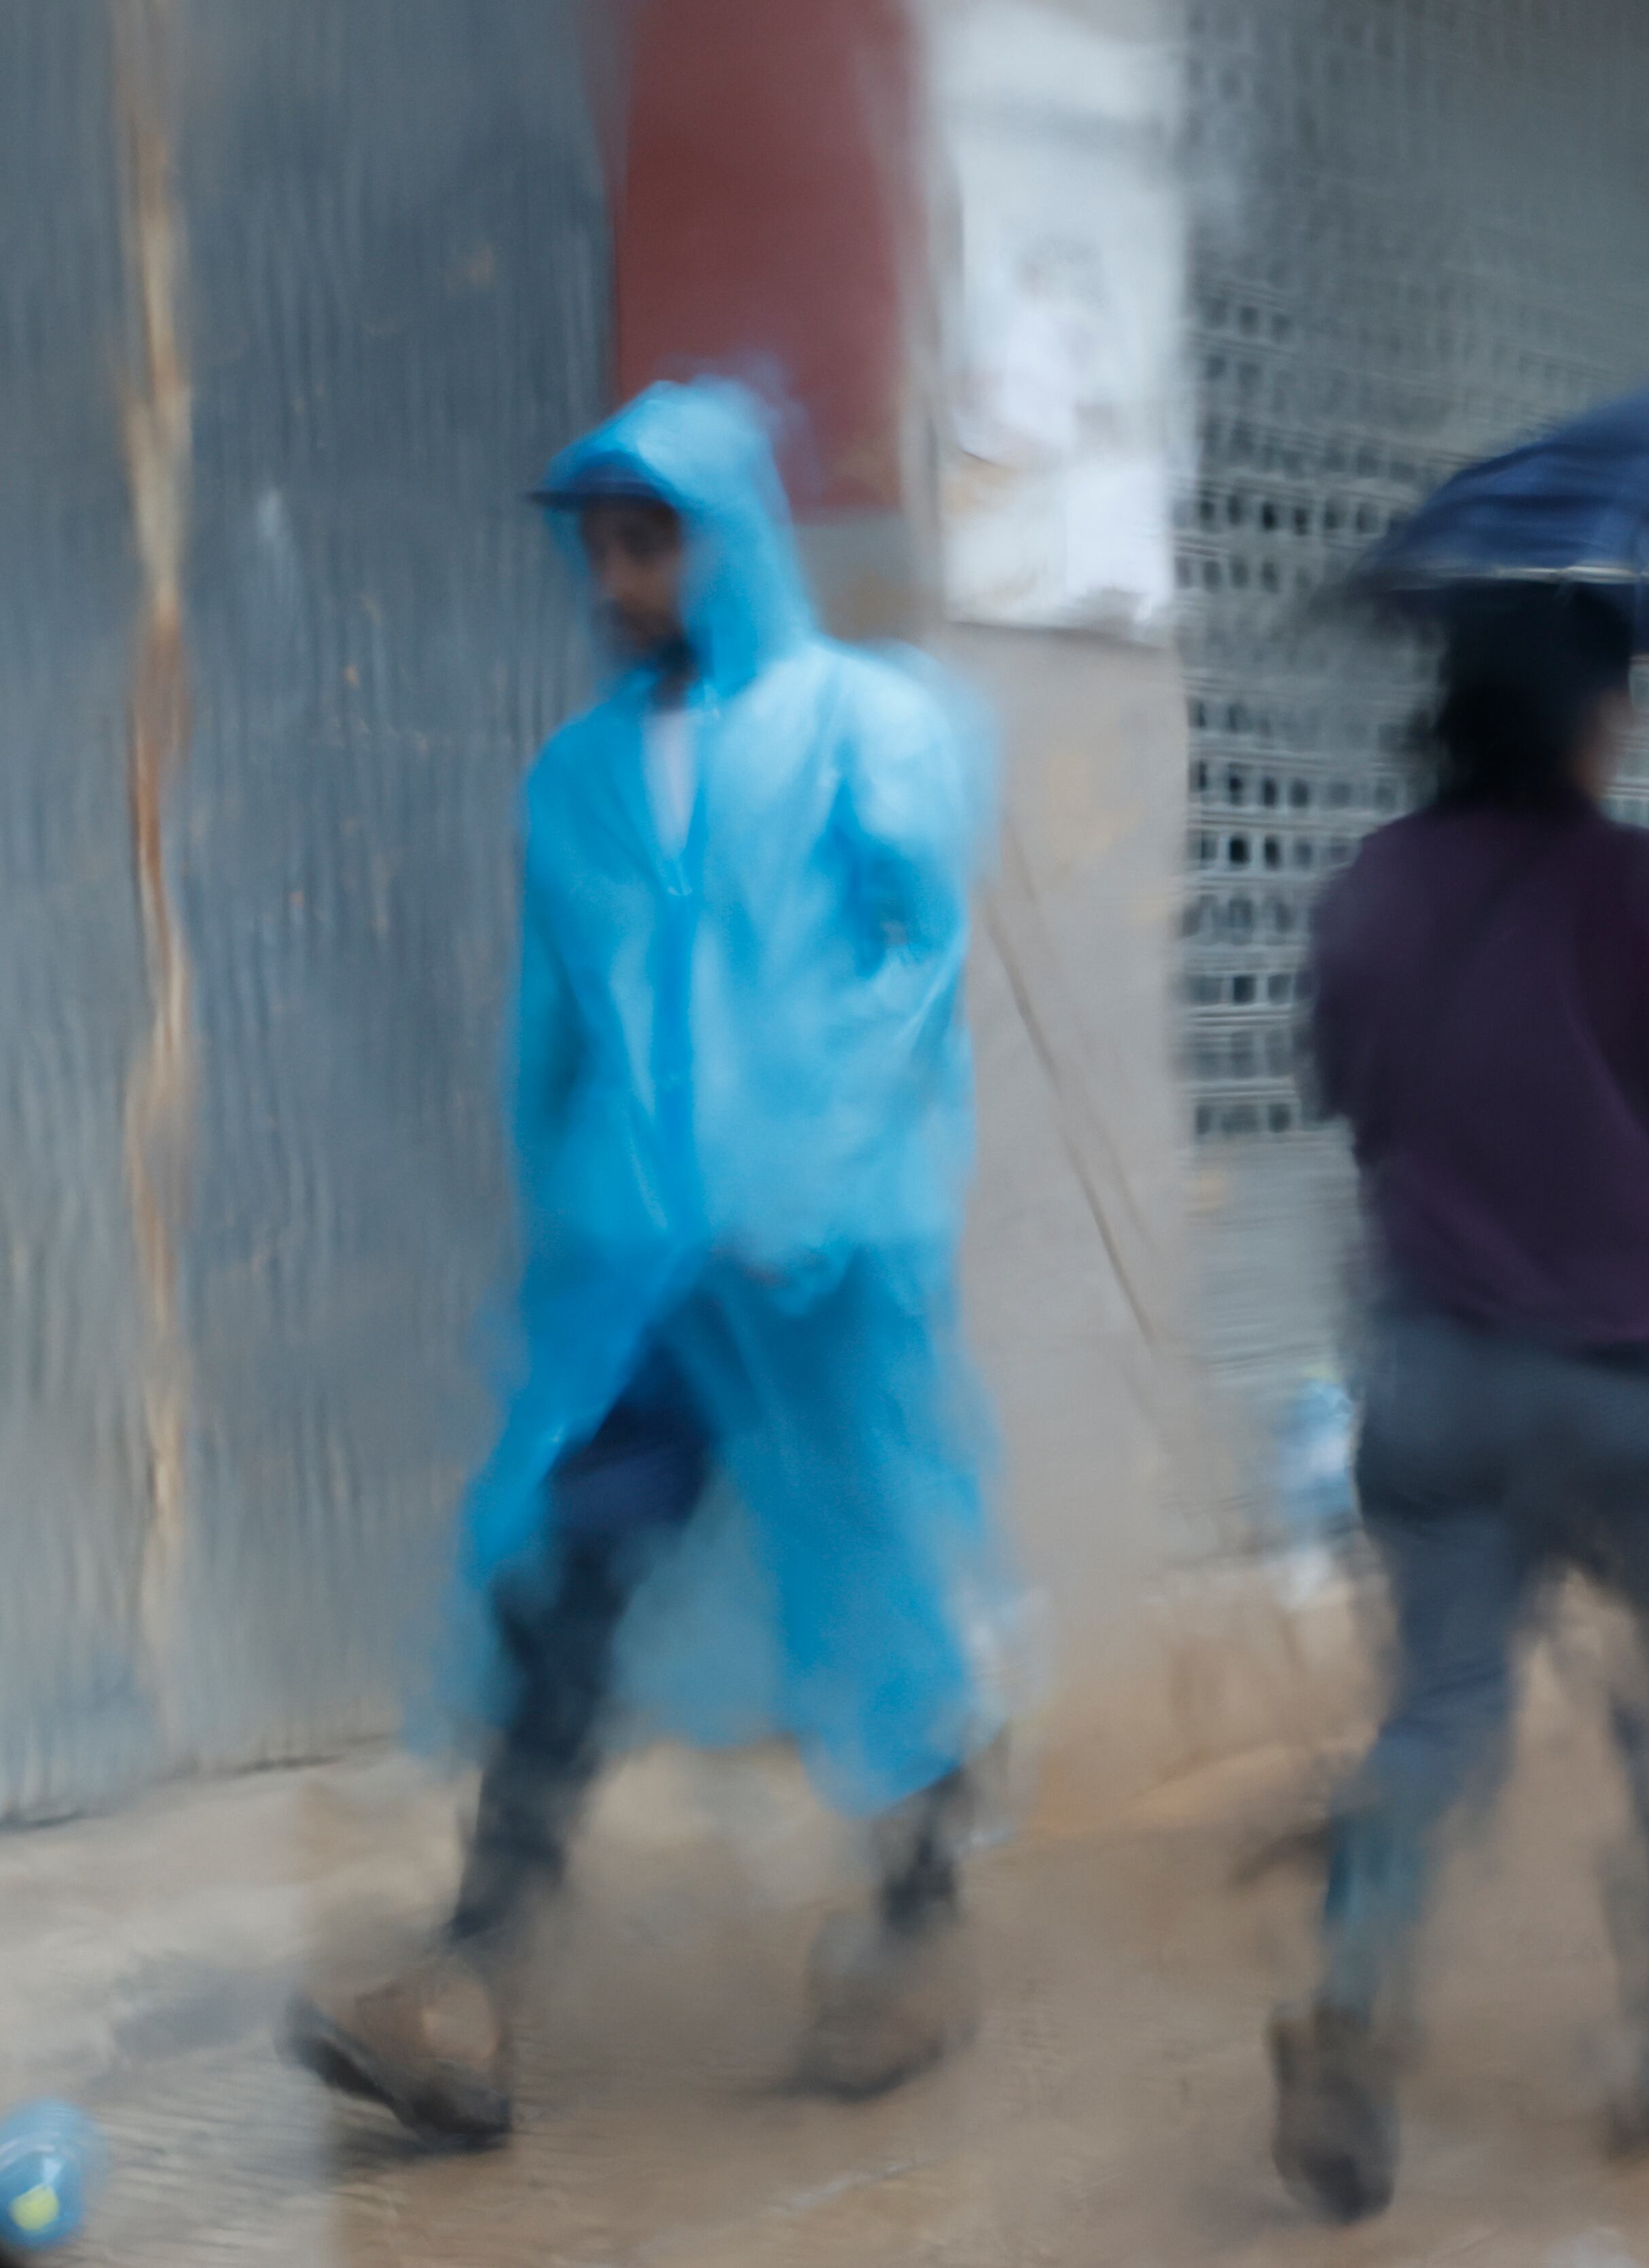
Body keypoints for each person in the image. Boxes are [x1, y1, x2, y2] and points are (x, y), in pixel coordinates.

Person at [283, 378, 1013, 2146]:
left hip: (825, 1268)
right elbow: (555, 1026)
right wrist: (569, 1227)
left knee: (879, 1591)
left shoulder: (859, 724)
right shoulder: (579, 778)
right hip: (651, 1288)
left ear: (728, 537)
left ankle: (916, 1923)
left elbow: (917, 969)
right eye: (601, 542)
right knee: (563, 1587)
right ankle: (471, 1985)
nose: (619, 574)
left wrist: (835, 1177)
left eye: (651, 535)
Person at [1272, 588, 1649, 2221]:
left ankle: (1355, 1980)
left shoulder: (1371, 893)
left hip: (1440, 1377)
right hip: (1638, 1391)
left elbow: (1339, 1082)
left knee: (1442, 1711)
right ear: (1590, 718)